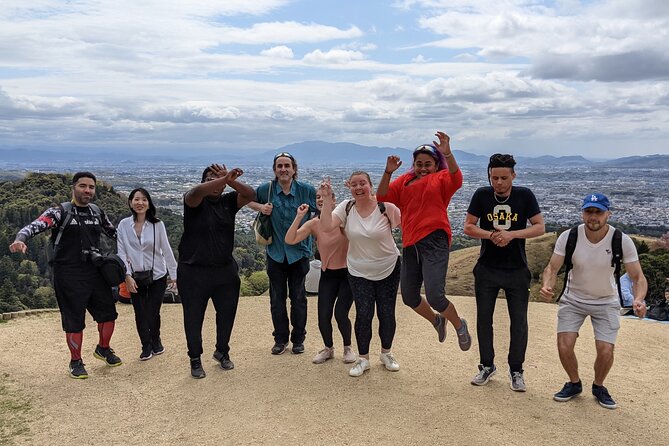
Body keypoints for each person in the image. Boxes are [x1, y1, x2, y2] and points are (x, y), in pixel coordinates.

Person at [9, 172, 122, 379]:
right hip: (67, 274)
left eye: (91, 187)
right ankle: (75, 361)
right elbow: (35, 226)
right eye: (83, 186)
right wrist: (20, 238)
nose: (87, 190)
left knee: (108, 314)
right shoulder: (60, 212)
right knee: (74, 320)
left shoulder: (97, 212)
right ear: (73, 187)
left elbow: (116, 234)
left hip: (95, 272)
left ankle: (103, 348)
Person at [540, 193, 647, 409]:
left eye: (598, 212)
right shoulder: (569, 237)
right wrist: (547, 285)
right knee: (564, 345)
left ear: (608, 214)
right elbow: (552, 267)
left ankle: (598, 386)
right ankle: (574, 382)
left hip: (606, 300)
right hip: (573, 298)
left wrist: (639, 299)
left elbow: (638, 277)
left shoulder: (621, 240)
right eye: (589, 211)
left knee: (606, 349)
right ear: (582, 213)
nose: (593, 217)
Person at [377, 131, 472, 356]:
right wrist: (388, 172)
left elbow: (456, 178)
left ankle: (459, 324)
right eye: (419, 163)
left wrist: (447, 153)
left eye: (428, 164)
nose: (422, 168)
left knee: (435, 296)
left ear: (435, 164)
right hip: (411, 242)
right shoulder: (406, 180)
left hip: (434, 238)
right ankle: (437, 321)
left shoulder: (441, 178)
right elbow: (382, 196)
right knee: (409, 295)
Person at [463, 153, 545, 392]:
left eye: (503, 177)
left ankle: (516, 370)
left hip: (517, 269)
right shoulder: (481, 195)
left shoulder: (524, 195)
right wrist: (490, 235)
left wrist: (512, 234)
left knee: (519, 322)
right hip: (487, 267)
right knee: (483, 320)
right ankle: (486, 365)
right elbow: (468, 226)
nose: (498, 182)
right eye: (494, 177)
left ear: (513, 176)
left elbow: (540, 226)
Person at [320, 172, 402, 377]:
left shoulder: (386, 208)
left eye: (362, 183)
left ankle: (386, 353)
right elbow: (326, 225)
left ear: (370, 186)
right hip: (358, 270)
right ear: (350, 188)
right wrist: (328, 200)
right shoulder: (346, 207)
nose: (358, 187)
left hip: (388, 266)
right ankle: (363, 358)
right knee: (364, 314)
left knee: (386, 312)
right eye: (354, 184)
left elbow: (403, 225)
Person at [178, 164, 255, 378]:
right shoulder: (194, 200)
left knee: (227, 314)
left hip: (224, 271)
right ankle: (195, 358)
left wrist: (229, 180)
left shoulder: (228, 202)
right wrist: (223, 179)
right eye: (210, 178)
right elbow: (195, 193)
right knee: (193, 317)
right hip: (193, 271)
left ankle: (222, 351)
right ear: (203, 181)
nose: (215, 182)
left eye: (218, 178)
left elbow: (250, 194)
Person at [247, 152, 317, 355]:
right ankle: (280, 338)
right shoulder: (266, 190)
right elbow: (247, 200)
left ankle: (298, 339)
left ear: (294, 169)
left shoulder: (306, 190)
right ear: (275, 170)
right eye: (280, 166)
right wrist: (261, 207)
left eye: (287, 165)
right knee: (277, 299)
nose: (283, 169)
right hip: (276, 253)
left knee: (298, 297)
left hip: (299, 252)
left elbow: (320, 209)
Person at [285, 189, 356, 365]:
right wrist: (299, 216)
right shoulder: (314, 224)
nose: (321, 199)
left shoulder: (344, 222)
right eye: (318, 197)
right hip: (328, 274)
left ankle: (348, 348)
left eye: (326, 196)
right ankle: (328, 349)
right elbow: (290, 239)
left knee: (341, 313)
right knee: (323, 315)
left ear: (334, 201)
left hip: (348, 273)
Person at [117, 188, 178, 361]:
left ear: (149, 203)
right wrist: (126, 276)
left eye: (144, 199)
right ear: (130, 202)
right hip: (134, 276)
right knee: (139, 312)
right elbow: (121, 252)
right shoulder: (123, 225)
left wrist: (174, 275)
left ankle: (155, 339)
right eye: (136, 199)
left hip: (157, 275)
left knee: (153, 311)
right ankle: (146, 345)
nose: (140, 203)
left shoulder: (157, 224)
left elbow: (166, 250)